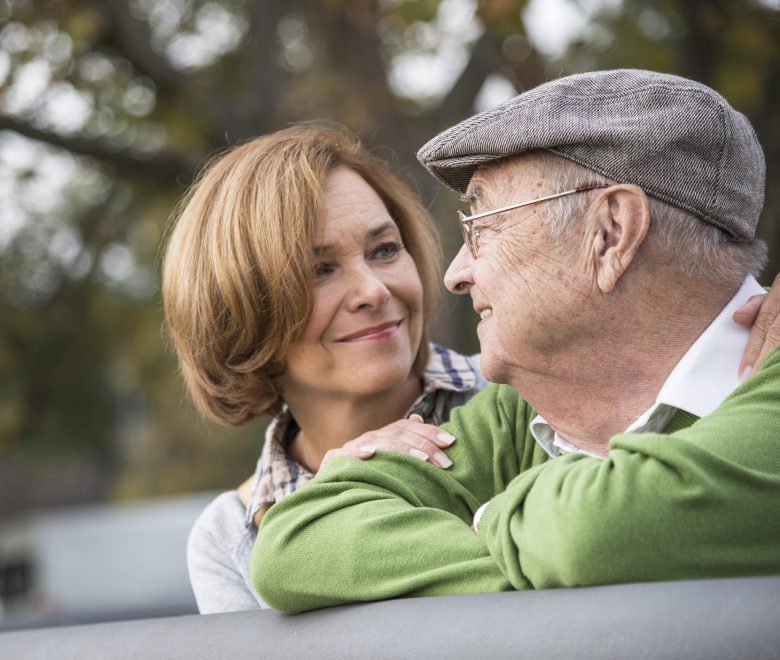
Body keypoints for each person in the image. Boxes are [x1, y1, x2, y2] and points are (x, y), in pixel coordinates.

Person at [251, 69, 780, 613]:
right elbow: (295, 543)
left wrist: (487, 515)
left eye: (481, 224)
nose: (456, 273)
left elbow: (592, 535)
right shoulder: (525, 410)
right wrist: (542, 558)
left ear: (610, 233)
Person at [161, 125, 490, 613]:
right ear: (241, 314)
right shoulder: (230, 537)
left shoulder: (526, 390)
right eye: (319, 270)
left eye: (384, 250)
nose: (374, 291)